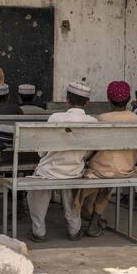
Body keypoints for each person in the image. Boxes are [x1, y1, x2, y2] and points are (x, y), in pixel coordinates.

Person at [26, 82, 96, 243]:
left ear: (67, 100)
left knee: (37, 191)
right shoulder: (92, 121)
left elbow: (42, 151)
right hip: (74, 171)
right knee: (70, 194)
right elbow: (89, 153)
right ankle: (74, 229)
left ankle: (39, 231)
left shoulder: (55, 118)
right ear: (87, 103)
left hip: (49, 171)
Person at [76, 81, 137, 237]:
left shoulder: (102, 118)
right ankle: (94, 219)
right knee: (110, 177)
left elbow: (91, 148)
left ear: (108, 99)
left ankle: (85, 214)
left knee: (90, 172)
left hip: (100, 170)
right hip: (126, 169)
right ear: (128, 99)